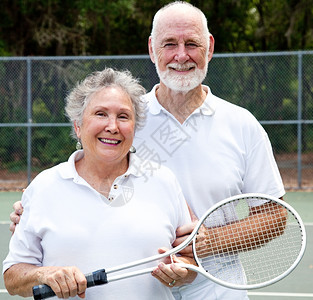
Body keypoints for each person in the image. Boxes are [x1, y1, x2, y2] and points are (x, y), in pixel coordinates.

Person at [8, 2, 286, 299]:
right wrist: (36, 213)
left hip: (214, 287)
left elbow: (276, 215)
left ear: (210, 47)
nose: (181, 55)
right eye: (169, 44)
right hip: (139, 285)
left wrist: (209, 242)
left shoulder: (242, 124)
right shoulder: (125, 114)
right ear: (152, 49)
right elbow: (81, 180)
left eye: (192, 43)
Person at [2, 68, 196, 299]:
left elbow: (189, 260)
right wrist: (45, 275)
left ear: (134, 127)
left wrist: (182, 272)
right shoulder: (44, 187)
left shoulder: (164, 181)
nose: (112, 126)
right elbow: (13, 277)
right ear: (78, 126)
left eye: (123, 116)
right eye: (101, 114)